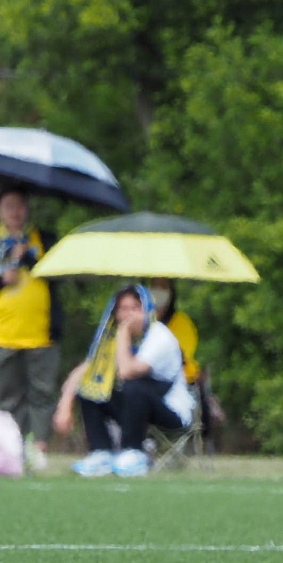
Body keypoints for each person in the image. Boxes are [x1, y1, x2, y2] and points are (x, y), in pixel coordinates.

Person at [53, 284, 194, 478]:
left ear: (147, 310)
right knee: (92, 386)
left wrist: (123, 334)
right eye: (123, 309)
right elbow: (85, 369)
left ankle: (133, 452)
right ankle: (101, 452)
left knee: (134, 386)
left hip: (170, 411)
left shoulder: (159, 336)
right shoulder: (110, 340)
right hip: (134, 411)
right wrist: (65, 405)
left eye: (135, 308)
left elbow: (128, 371)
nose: (128, 315)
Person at [0, 188, 62, 471]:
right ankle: (11, 449)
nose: (15, 212)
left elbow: (59, 274)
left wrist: (29, 259)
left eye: (20, 206)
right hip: (5, 333)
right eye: (9, 206)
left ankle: (39, 449)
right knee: (8, 395)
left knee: (42, 392)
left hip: (42, 332)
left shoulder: (45, 239)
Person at [148, 279, 200, 386]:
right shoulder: (143, 321)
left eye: (163, 287)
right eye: (154, 286)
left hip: (180, 382)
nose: (158, 291)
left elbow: (181, 357)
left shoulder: (182, 322)